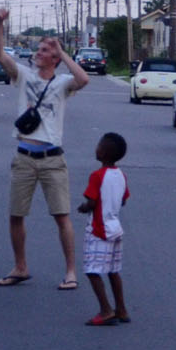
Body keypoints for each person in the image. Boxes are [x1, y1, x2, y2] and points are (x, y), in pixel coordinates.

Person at [0, 6, 89, 289]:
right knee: (16, 214)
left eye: (45, 50)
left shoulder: (62, 83)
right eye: (41, 48)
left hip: (52, 158)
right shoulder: (23, 76)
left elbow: (83, 79)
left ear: (55, 59)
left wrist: (63, 51)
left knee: (61, 215)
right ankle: (20, 267)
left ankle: (71, 272)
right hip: (24, 156)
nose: (39, 52)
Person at [77, 131, 129, 327]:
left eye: (99, 145)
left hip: (99, 229)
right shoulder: (121, 175)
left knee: (92, 269)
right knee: (113, 271)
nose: (96, 148)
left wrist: (83, 207)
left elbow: (91, 202)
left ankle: (106, 309)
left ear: (104, 153)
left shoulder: (97, 176)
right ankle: (121, 308)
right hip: (115, 227)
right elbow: (123, 199)